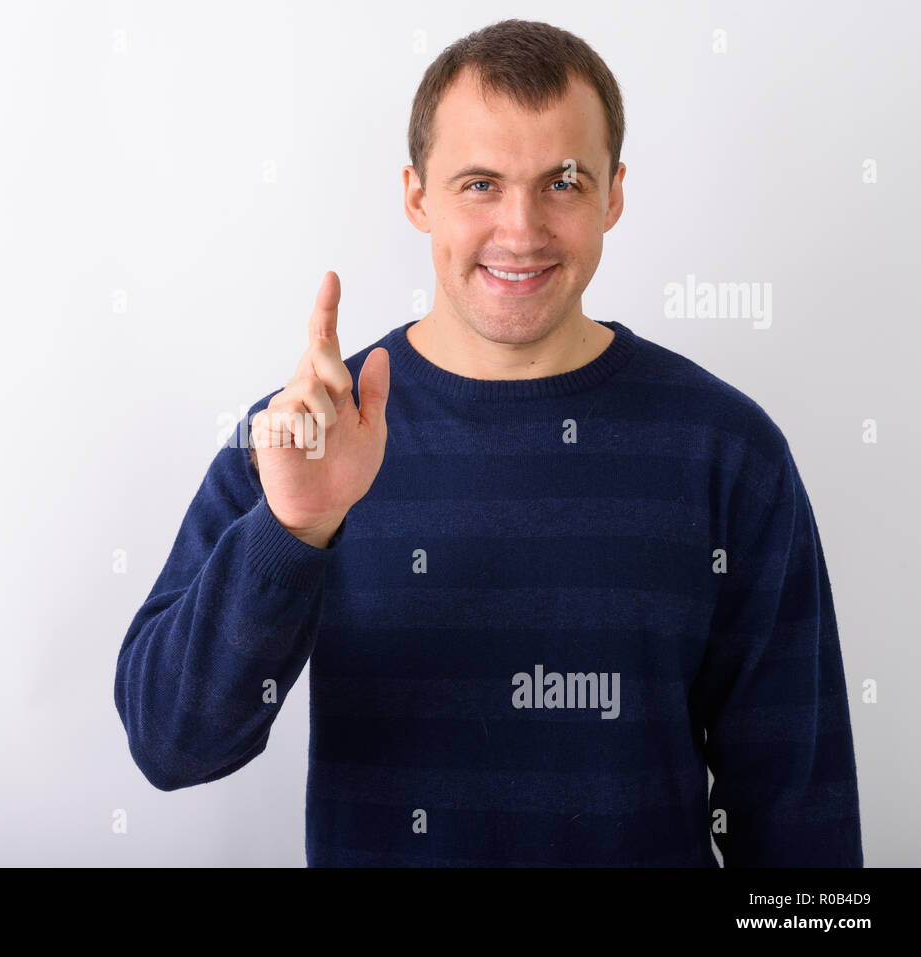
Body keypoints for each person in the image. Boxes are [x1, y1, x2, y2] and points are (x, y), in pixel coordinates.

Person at [113, 18, 864, 867]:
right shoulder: (304, 437)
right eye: (479, 184)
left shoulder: (730, 451)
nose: (521, 230)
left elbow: (801, 815)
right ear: (417, 195)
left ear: (613, 193)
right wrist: (292, 530)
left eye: (563, 184)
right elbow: (169, 744)